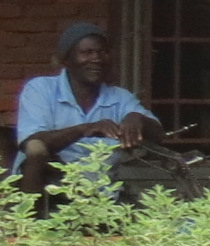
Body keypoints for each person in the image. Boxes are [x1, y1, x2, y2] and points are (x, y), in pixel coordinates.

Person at [13, 20, 159, 192]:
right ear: (66, 59)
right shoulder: (40, 89)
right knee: (36, 148)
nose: (97, 59)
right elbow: (32, 142)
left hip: (102, 193)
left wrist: (137, 118)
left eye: (102, 52)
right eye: (87, 52)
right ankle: (28, 215)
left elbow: (157, 135)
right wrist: (86, 129)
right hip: (49, 186)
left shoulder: (119, 97)